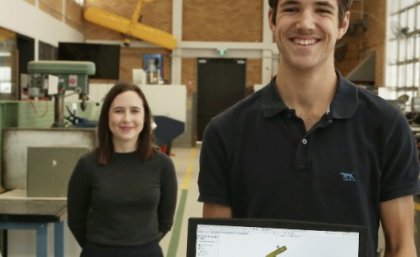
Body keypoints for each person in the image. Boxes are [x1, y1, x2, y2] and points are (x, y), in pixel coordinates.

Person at [198, 1, 420, 257]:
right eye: (291, 8)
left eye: (322, 10)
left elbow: (402, 247)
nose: (305, 23)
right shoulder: (225, 132)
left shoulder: (387, 126)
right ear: (272, 20)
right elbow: (217, 248)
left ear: (343, 24)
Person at [68, 82, 177, 257]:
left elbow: (165, 222)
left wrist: (140, 245)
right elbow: (76, 221)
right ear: (107, 117)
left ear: (145, 117)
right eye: (119, 111)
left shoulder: (162, 165)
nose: (127, 119)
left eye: (134, 111)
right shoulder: (87, 164)